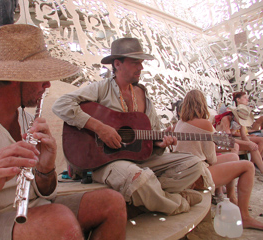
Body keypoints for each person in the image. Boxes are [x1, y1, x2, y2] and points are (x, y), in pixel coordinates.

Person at [0, 24, 127, 240]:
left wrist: (46, 169)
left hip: (31, 210)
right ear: (13, 77)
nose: (47, 84)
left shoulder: (27, 119)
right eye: (41, 76)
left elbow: (46, 194)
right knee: (59, 220)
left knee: (113, 203)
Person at [52, 37, 204, 216]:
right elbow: (61, 105)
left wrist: (159, 142)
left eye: (141, 63)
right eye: (135, 63)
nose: (141, 67)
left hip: (140, 160)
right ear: (117, 64)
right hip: (103, 162)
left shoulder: (143, 95)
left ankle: (146, 196)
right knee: (136, 177)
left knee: (194, 164)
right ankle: (178, 202)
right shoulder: (101, 88)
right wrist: (99, 127)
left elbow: (152, 134)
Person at [174, 89, 263, 230]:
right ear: (202, 104)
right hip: (195, 176)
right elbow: (211, 159)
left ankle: (232, 197)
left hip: (184, 172)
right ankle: (245, 217)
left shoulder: (180, 123)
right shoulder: (204, 124)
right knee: (248, 166)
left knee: (234, 157)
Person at [215, 102, 263, 173]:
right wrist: (247, 143)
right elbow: (228, 138)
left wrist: (250, 143)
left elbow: (244, 136)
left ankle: (260, 169)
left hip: (229, 140)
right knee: (235, 146)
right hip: (219, 139)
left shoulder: (241, 122)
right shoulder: (226, 119)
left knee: (253, 147)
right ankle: (233, 170)